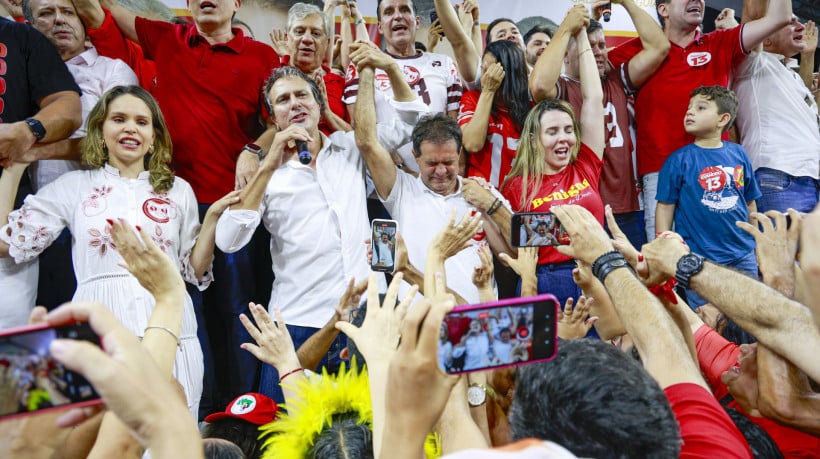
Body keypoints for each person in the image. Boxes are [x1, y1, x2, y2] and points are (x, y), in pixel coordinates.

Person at [0, 86, 238, 417]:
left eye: (141, 122)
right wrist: (13, 170)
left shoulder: (179, 190)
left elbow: (193, 273)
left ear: (154, 137)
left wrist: (211, 221)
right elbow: (7, 243)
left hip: (173, 332)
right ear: (100, 131)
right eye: (119, 119)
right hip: (98, 335)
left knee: (172, 437)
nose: (130, 128)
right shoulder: (74, 188)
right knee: (102, 442)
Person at [215, 66, 426, 402]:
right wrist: (268, 165)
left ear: (318, 104)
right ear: (273, 118)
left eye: (302, 95)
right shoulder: (265, 171)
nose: (295, 103)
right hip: (299, 322)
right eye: (283, 100)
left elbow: (411, 123)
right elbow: (228, 240)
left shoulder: (349, 147)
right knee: (287, 442)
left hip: (365, 320)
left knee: (369, 440)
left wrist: (378, 68)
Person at [607, 0, 793, 241]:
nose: (698, 1)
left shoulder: (721, 42)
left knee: (721, 256)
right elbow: (583, 70)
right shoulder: (637, 50)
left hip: (716, 169)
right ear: (663, 10)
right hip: (660, 172)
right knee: (666, 260)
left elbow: (778, 19)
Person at [22, 0, 139, 310]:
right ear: (30, 26)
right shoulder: (19, 77)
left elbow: (113, 148)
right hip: (30, 217)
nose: (60, 19)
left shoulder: (112, 70)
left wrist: (28, 148)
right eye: (47, 13)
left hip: (97, 219)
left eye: (68, 12)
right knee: (41, 323)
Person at [530, 0, 669, 249]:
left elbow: (659, 47)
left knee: (632, 280)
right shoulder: (561, 87)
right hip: (581, 206)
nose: (598, 52)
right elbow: (538, 85)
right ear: (566, 55)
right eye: (590, 45)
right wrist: (567, 28)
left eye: (602, 45)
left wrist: (625, 1)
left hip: (627, 206)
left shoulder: (617, 79)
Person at [499, 8, 605, 305]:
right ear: (534, 139)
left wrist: (580, 31)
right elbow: (514, 248)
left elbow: (594, 98)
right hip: (544, 281)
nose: (564, 139)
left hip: (595, 275)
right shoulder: (517, 186)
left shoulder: (584, 164)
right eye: (553, 132)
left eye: (569, 130)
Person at [0, 16, 81, 328]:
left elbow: (68, 106)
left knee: (10, 358)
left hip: (6, 228)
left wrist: (29, 130)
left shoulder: (21, 38)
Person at [656, 86, 760, 309]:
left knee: (750, 315)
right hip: (699, 258)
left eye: (700, 107)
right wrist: (665, 244)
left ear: (723, 119)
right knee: (709, 322)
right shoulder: (678, 160)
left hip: (742, 253)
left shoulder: (739, 154)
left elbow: (750, 200)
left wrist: (757, 243)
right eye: (689, 108)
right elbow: (665, 207)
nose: (689, 112)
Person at [343, 0, 462, 175]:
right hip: (383, 183)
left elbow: (454, 128)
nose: (398, 16)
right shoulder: (363, 65)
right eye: (389, 12)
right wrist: (400, 169)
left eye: (404, 10)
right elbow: (359, 125)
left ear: (417, 21)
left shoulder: (445, 65)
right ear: (381, 27)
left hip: (438, 179)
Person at [734, 0, 820, 214]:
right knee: (780, 248)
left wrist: (808, 57)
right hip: (779, 176)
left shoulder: (791, 75)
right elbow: (753, 13)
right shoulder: (753, 63)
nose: (800, 27)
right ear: (766, 37)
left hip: (811, 178)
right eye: (791, 23)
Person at [458, 39, 529, 187]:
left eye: (491, 72)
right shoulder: (472, 99)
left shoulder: (531, 108)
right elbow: (472, 144)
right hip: (481, 197)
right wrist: (488, 91)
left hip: (518, 200)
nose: (485, 77)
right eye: (483, 70)